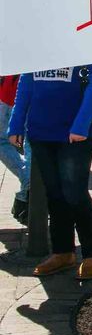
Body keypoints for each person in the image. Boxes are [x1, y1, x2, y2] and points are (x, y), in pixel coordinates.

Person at [7, 63, 92, 279]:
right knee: (54, 194)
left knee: (74, 192)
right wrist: (16, 123)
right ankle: (63, 251)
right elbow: (27, 81)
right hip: (41, 131)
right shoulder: (39, 42)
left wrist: (82, 124)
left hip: (76, 133)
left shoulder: (87, 40)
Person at [0, 74, 30, 224]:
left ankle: (28, 183)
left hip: (12, 93)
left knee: (3, 142)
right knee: (30, 145)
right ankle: (28, 185)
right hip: (19, 93)